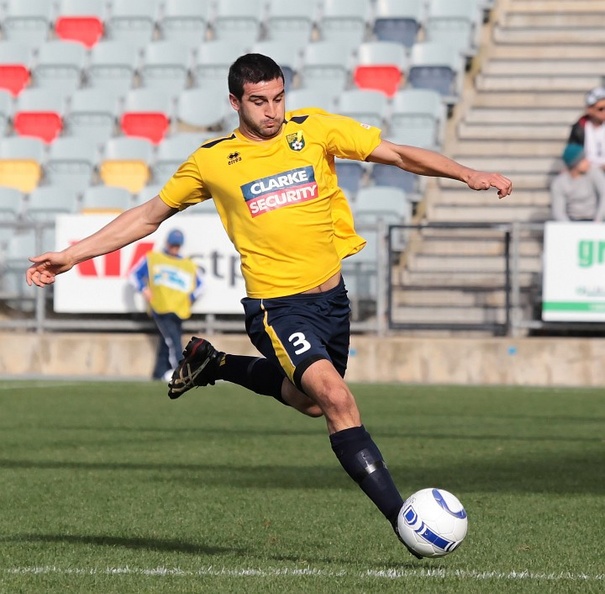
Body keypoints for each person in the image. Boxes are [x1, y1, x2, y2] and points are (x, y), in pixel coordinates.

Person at [26, 53, 512, 556]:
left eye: (278, 98)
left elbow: (396, 155)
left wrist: (465, 173)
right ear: (235, 102)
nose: (272, 112)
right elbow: (147, 217)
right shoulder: (212, 160)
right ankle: (406, 522)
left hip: (334, 302)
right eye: (259, 102)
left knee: (309, 402)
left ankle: (213, 363)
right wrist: (71, 255)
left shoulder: (316, 129)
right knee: (338, 401)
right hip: (277, 307)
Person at [130, 228, 204, 381]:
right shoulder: (153, 259)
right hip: (160, 307)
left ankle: (158, 373)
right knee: (173, 341)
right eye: (172, 245)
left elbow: (201, 285)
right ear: (167, 243)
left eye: (177, 246)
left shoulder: (187, 264)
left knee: (166, 342)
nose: (174, 248)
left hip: (179, 309)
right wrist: (144, 289)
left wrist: (190, 297)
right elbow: (134, 275)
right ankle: (180, 372)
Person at [551, 143, 605, 222]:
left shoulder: (595, 174)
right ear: (575, 164)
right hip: (571, 221)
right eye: (584, 160)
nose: (588, 162)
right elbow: (558, 211)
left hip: (594, 220)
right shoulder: (559, 183)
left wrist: (598, 221)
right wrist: (571, 229)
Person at [568, 86, 605, 169]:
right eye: (601, 109)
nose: (604, 112)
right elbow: (571, 155)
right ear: (590, 109)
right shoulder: (579, 128)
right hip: (587, 172)